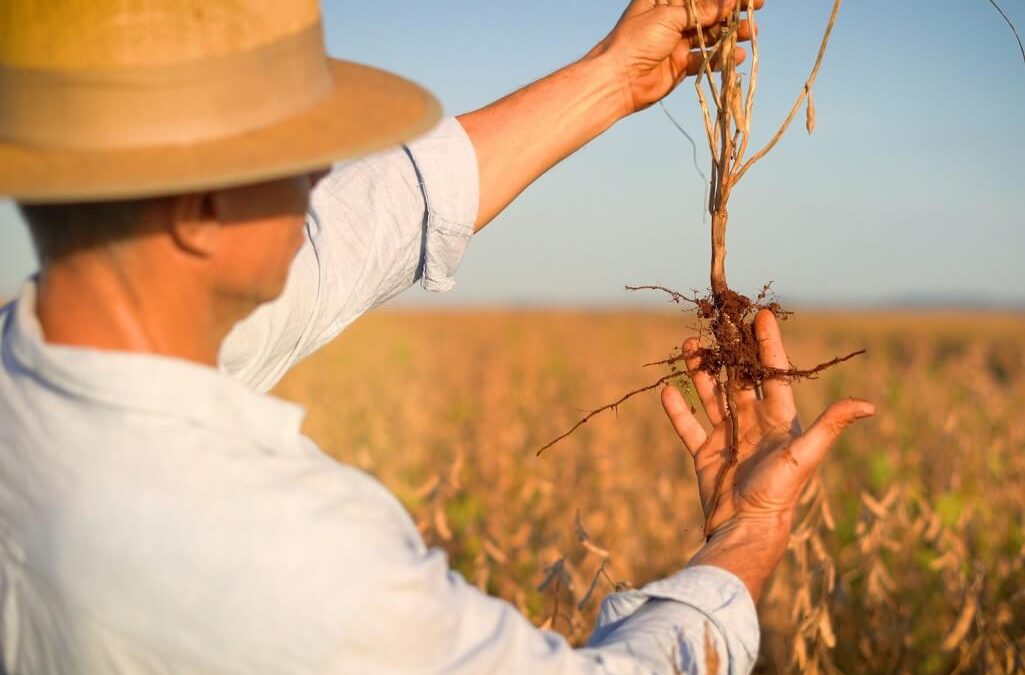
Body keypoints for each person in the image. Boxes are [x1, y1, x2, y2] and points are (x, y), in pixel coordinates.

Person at [0, 0, 874, 672]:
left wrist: (615, 77)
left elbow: (360, 227)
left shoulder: (33, 365)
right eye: (294, 148)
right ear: (197, 209)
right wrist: (751, 529)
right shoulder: (277, 549)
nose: (318, 172)